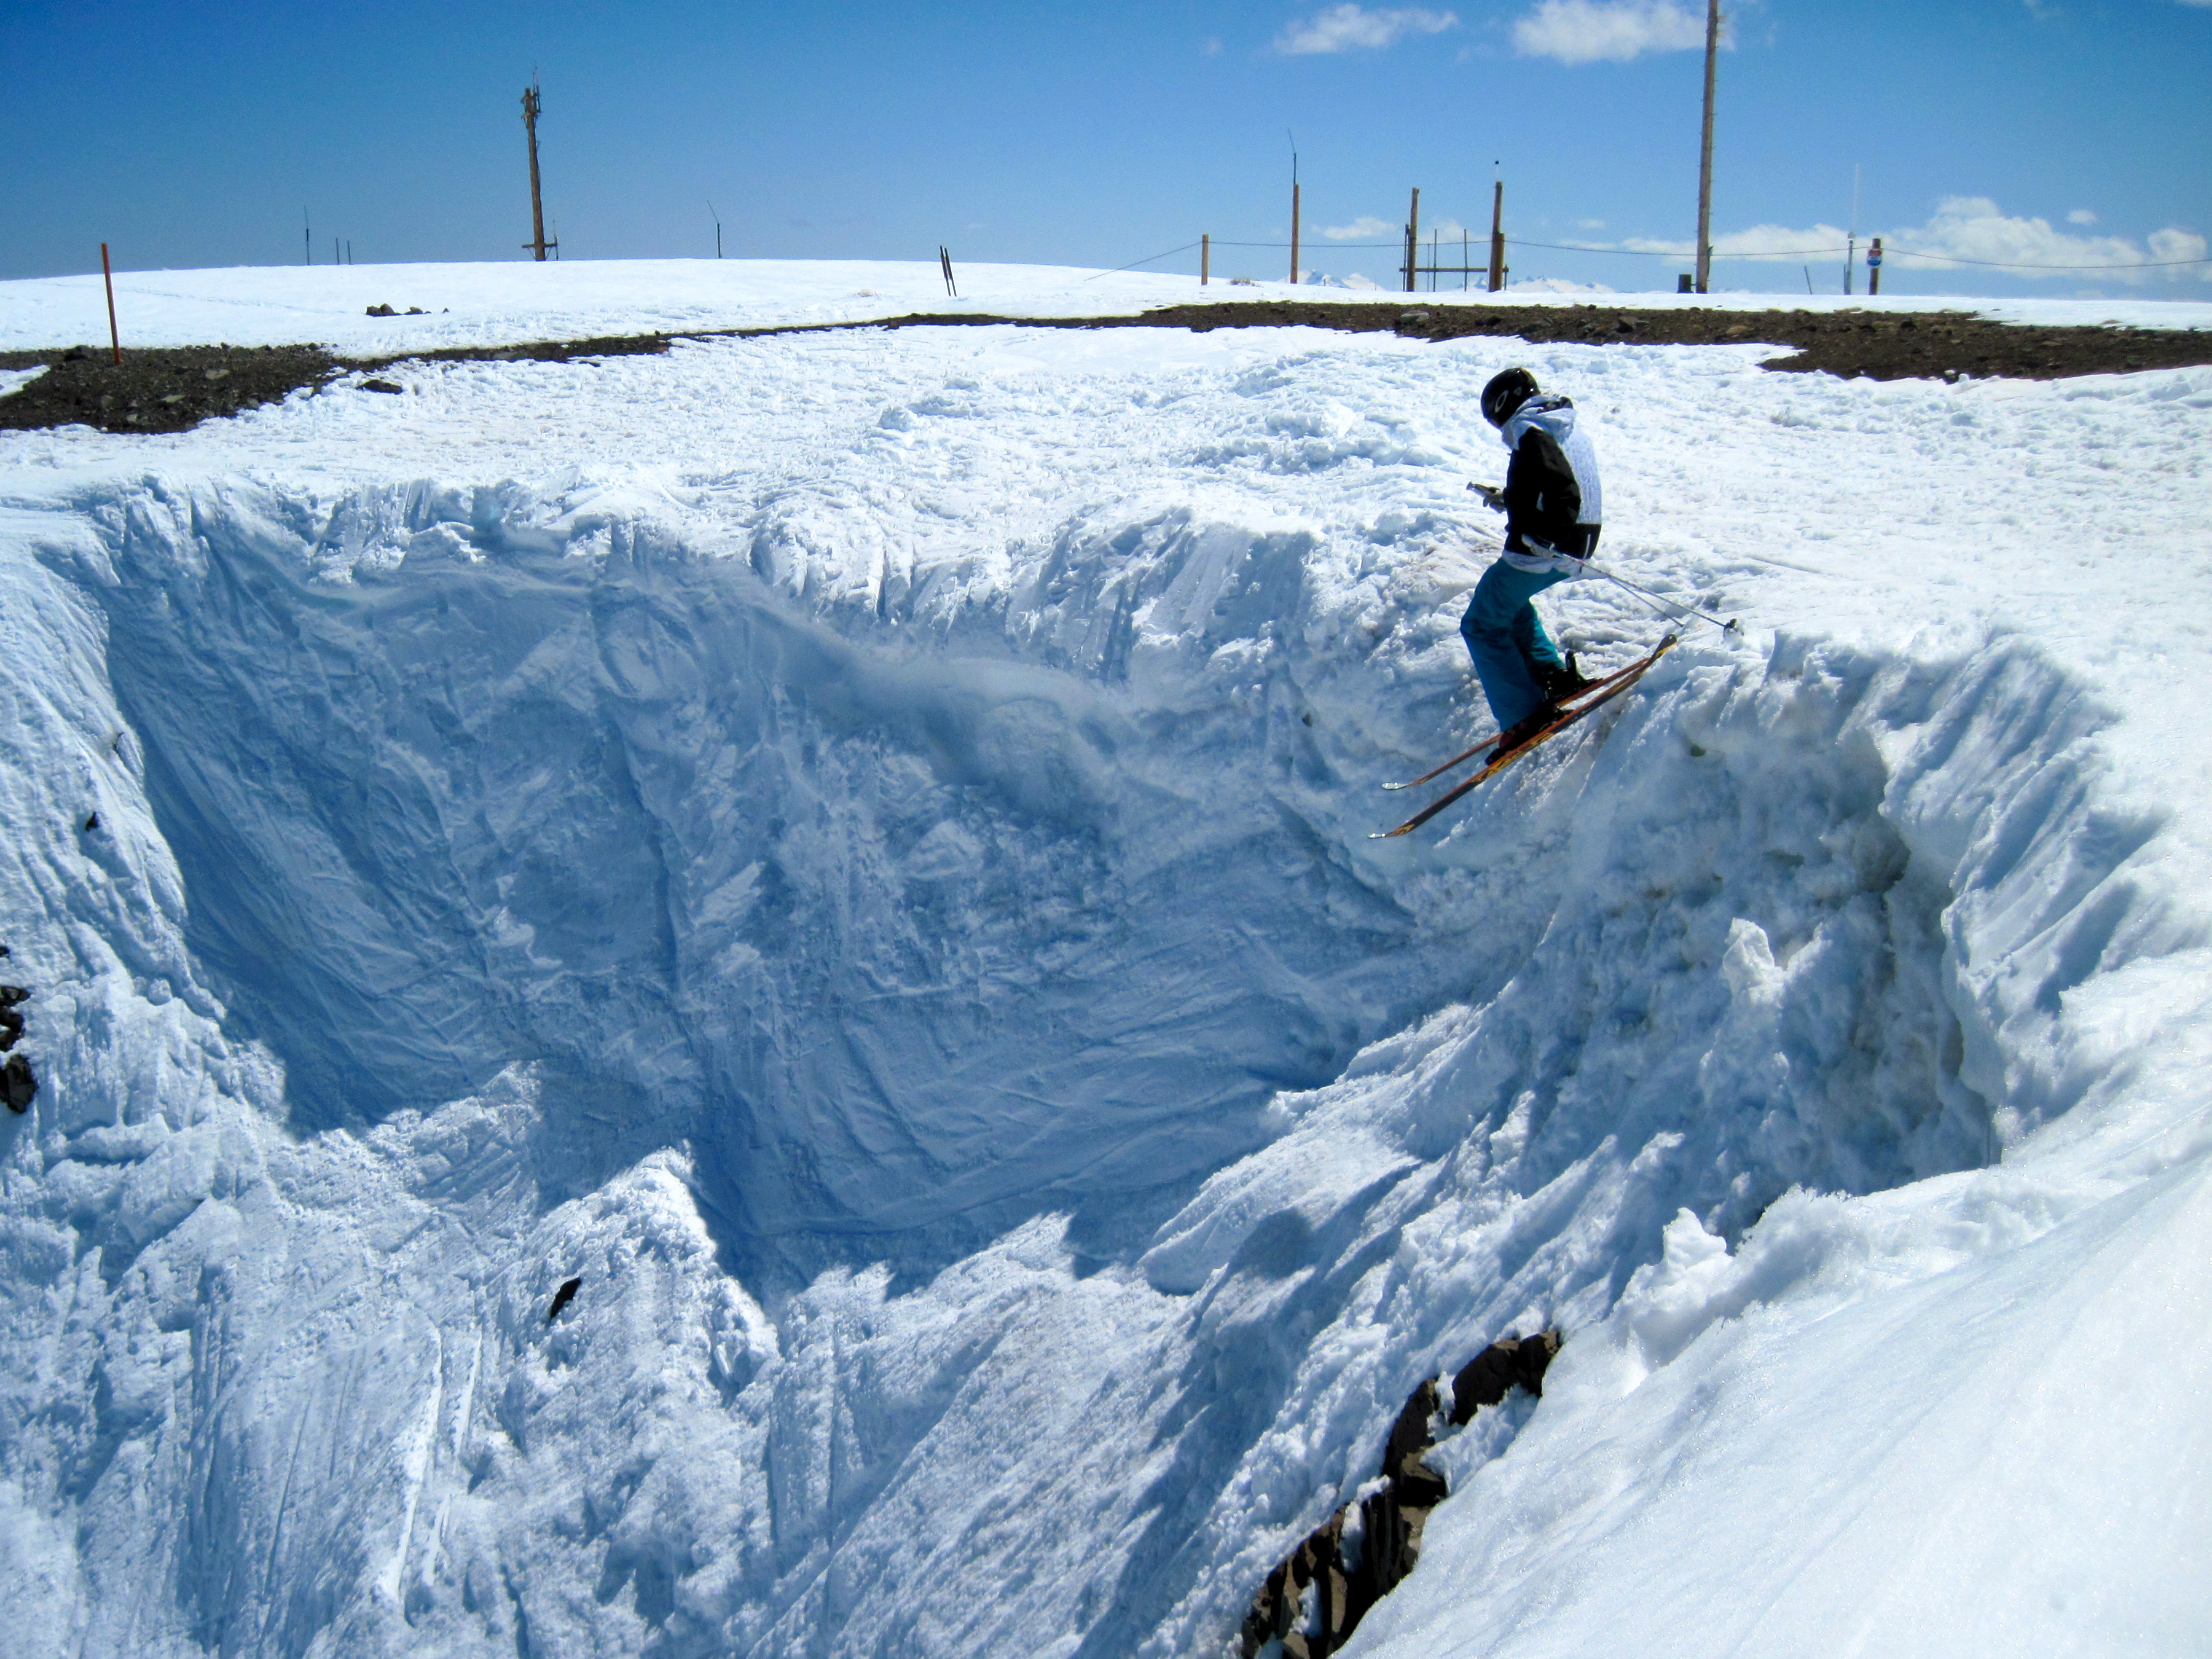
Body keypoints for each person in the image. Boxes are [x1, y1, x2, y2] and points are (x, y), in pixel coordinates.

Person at [1461, 367, 1603, 748]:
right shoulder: (1559, 425)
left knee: (1480, 625)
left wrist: (1545, 534)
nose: (1496, 425)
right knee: (1507, 605)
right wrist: (1510, 500)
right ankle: (1552, 678)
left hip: (1544, 550)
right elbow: (1555, 482)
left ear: (1503, 405)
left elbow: (1561, 489)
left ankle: (1523, 718)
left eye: (1493, 417)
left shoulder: (1530, 430)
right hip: (1582, 542)